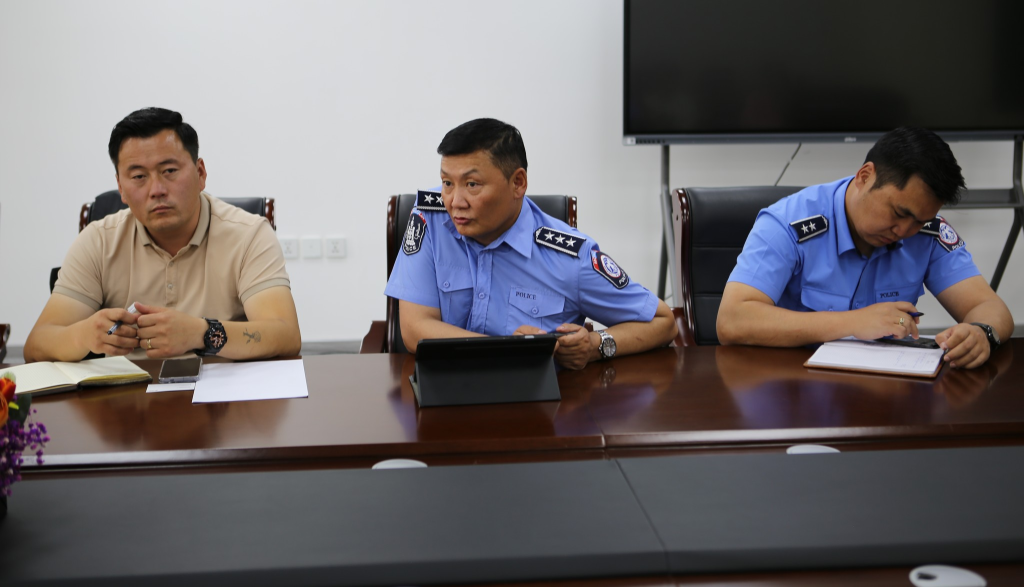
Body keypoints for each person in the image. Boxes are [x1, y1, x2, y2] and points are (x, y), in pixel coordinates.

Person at [384, 118, 677, 370]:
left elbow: (663, 322)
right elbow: (414, 329)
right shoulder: (430, 218)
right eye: (447, 183)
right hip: (442, 394)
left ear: (518, 183)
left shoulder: (569, 256)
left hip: (533, 406)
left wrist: (596, 344)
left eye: (472, 185)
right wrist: (511, 351)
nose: (454, 202)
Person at [717, 127, 1013, 369]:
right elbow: (732, 320)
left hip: (886, 394)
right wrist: (852, 322)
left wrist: (982, 332)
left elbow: (990, 307)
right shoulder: (788, 223)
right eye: (899, 213)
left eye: (919, 221)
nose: (904, 231)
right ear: (864, 176)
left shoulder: (927, 231)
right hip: (795, 388)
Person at [24, 107, 301, 362]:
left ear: (200, 173)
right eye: (138, 177)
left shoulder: (249, 235)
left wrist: (202, 333)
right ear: (121, 187)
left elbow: (285, 335)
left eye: (169, 171)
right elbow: (37, 345)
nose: (156, 190)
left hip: (225, 395)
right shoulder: (98, 240)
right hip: (127, 396)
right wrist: (83, 335)